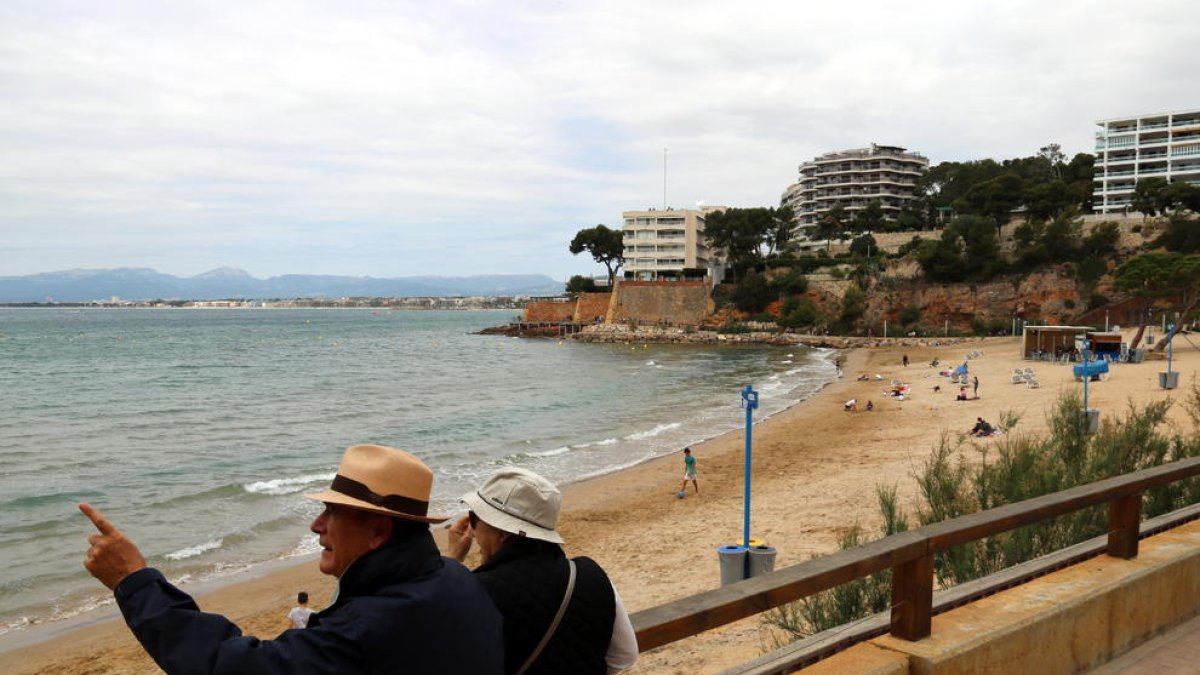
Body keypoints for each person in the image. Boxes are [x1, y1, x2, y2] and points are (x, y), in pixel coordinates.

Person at [80, 444, 503, 675]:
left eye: (331, 513)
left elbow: (226, 665)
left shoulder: (367, 627)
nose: (316, 526)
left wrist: (133, 581)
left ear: (378, 531)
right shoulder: (455, 578)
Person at [447, 468, 638, 674]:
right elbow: (624, 656)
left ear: (502, 532)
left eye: (474, 518)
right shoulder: (587, 573)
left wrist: (451, 561)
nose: (472, 532)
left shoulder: (475, 592)